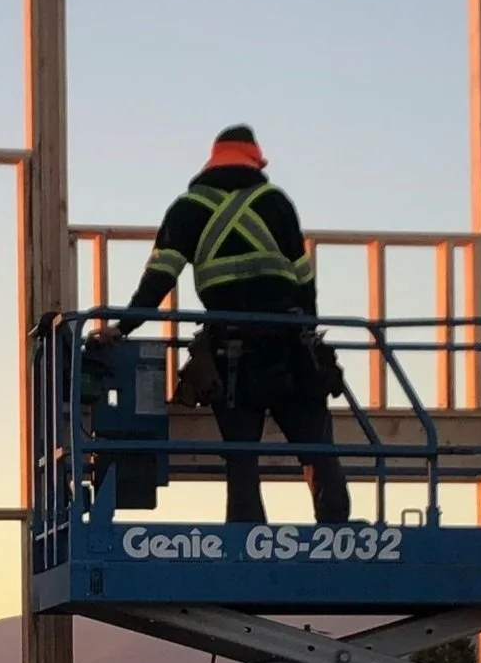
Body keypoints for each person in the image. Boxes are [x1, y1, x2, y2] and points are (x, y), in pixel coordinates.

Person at [113, 125, 351, 524]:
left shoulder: (188, 207)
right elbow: (304, 281)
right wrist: (308, 335)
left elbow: (159, 278)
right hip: (289, 345)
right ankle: (338, 536)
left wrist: (122, 328)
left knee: (241, 459)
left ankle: (246, 541)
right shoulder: (275, 201)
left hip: (231, 351)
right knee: (318, 450)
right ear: (255, 159)